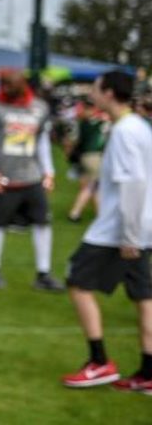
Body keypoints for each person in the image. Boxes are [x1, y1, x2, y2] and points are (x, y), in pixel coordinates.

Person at [60, 70, 152, 391]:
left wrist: (129, 234)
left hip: (119, 228)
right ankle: (148, 373)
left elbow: (134, 183)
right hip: (140, 224)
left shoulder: (126, 130)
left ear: (110, 93)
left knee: (76, 280)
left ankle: (99, 362)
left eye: (97, 88)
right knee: (143, 296)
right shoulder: (138, 126)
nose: (92, 93)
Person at [0, 70, 64, 291]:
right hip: (5, 175)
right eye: (4, 85)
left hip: (31, 174)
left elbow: (42, 141)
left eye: (10, 85)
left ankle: (43, 273)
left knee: (42, 222)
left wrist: (49, 171)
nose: (6, 89)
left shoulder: (39, 108)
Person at [68, 99, 108, 223]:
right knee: (93, 186)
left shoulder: (82, 123)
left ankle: (99, 214)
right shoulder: (101, 122)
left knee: (92, 186)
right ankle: (75, 212)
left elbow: (73, 141)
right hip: (95, 156)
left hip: (84, 156)